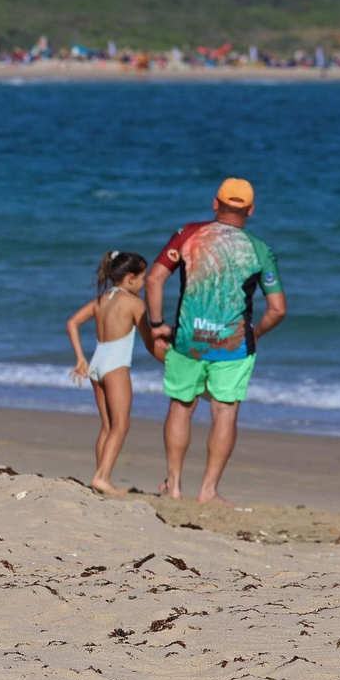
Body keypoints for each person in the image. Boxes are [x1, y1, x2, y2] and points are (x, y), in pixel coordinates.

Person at [146, 178, 286, 504]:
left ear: (215, 204)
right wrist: (256, 333)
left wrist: (157, 325)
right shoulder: (260, 249)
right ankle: (208, 491)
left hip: (187, 339)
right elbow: (277, 309)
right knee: (224, 412)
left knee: (181, 407)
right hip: (234, 345)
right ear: (250, 210)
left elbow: (154, 279)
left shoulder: (188, 233)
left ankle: (175, 485)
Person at [66, 251, 158, 496]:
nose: (145, 283)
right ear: (130, 279)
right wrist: (170, 358)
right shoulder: (135, 303)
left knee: (107, 426)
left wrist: (80, 358)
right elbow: (149, 343)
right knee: (122, 424)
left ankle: (100, 477)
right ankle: (102, 477)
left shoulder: (102, 299)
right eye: (143, 278)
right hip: (115, 366)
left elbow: (72, 322)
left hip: (96, 363)